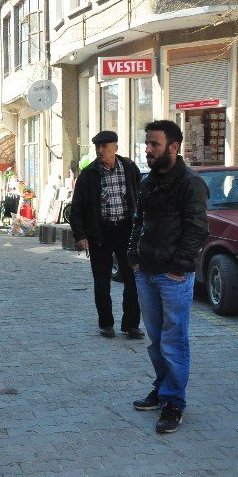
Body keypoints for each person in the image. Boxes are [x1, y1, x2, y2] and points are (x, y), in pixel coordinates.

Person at [129, 120, 209, 435]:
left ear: (173, 147)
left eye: (154, 144)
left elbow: (198, 230)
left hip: (173, 276)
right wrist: (133, 258)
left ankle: (174, 402)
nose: (147, 150)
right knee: (157, 339)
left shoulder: (190, 183)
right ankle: (163, 388)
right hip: (145, 272)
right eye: (147, 144)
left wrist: (179, 266)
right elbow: (138, 221)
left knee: (174, 340)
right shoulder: (148, 182)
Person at [69, 130, 144, 339]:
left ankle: (131, 325)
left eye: (105, 146)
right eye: (98, 147)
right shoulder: (89, 174)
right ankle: (106, 324)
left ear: (115, 148)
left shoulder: (129, 168)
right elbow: (77, 209)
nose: (101, 151)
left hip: (126, 231)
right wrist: (80, 236)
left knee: (132, 278)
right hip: (100, 233)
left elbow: (141, 198)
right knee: (102, 280)